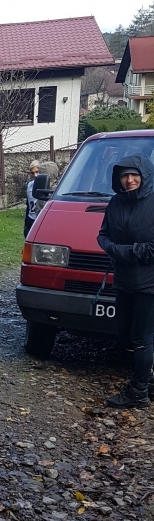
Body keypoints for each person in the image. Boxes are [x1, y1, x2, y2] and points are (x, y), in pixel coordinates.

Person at [97, 154, 154, 408]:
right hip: (124, 281)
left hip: (149, 283)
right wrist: (112, 247)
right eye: (124, 176)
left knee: (142, 338)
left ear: (144, 176)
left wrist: (124, 251)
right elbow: (103, 235)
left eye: (134, 175)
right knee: (126, 335)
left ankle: (139, 392)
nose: (129, 180)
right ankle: (148, 380)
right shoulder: (115, 203)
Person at [24, 160, 41, 238]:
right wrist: (26, 223)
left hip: (41, 219)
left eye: (37, 172)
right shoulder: (30, 185)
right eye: (33, 173)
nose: (35, 175)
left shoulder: (47, 185)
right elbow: (28, 204)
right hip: (31, 219)